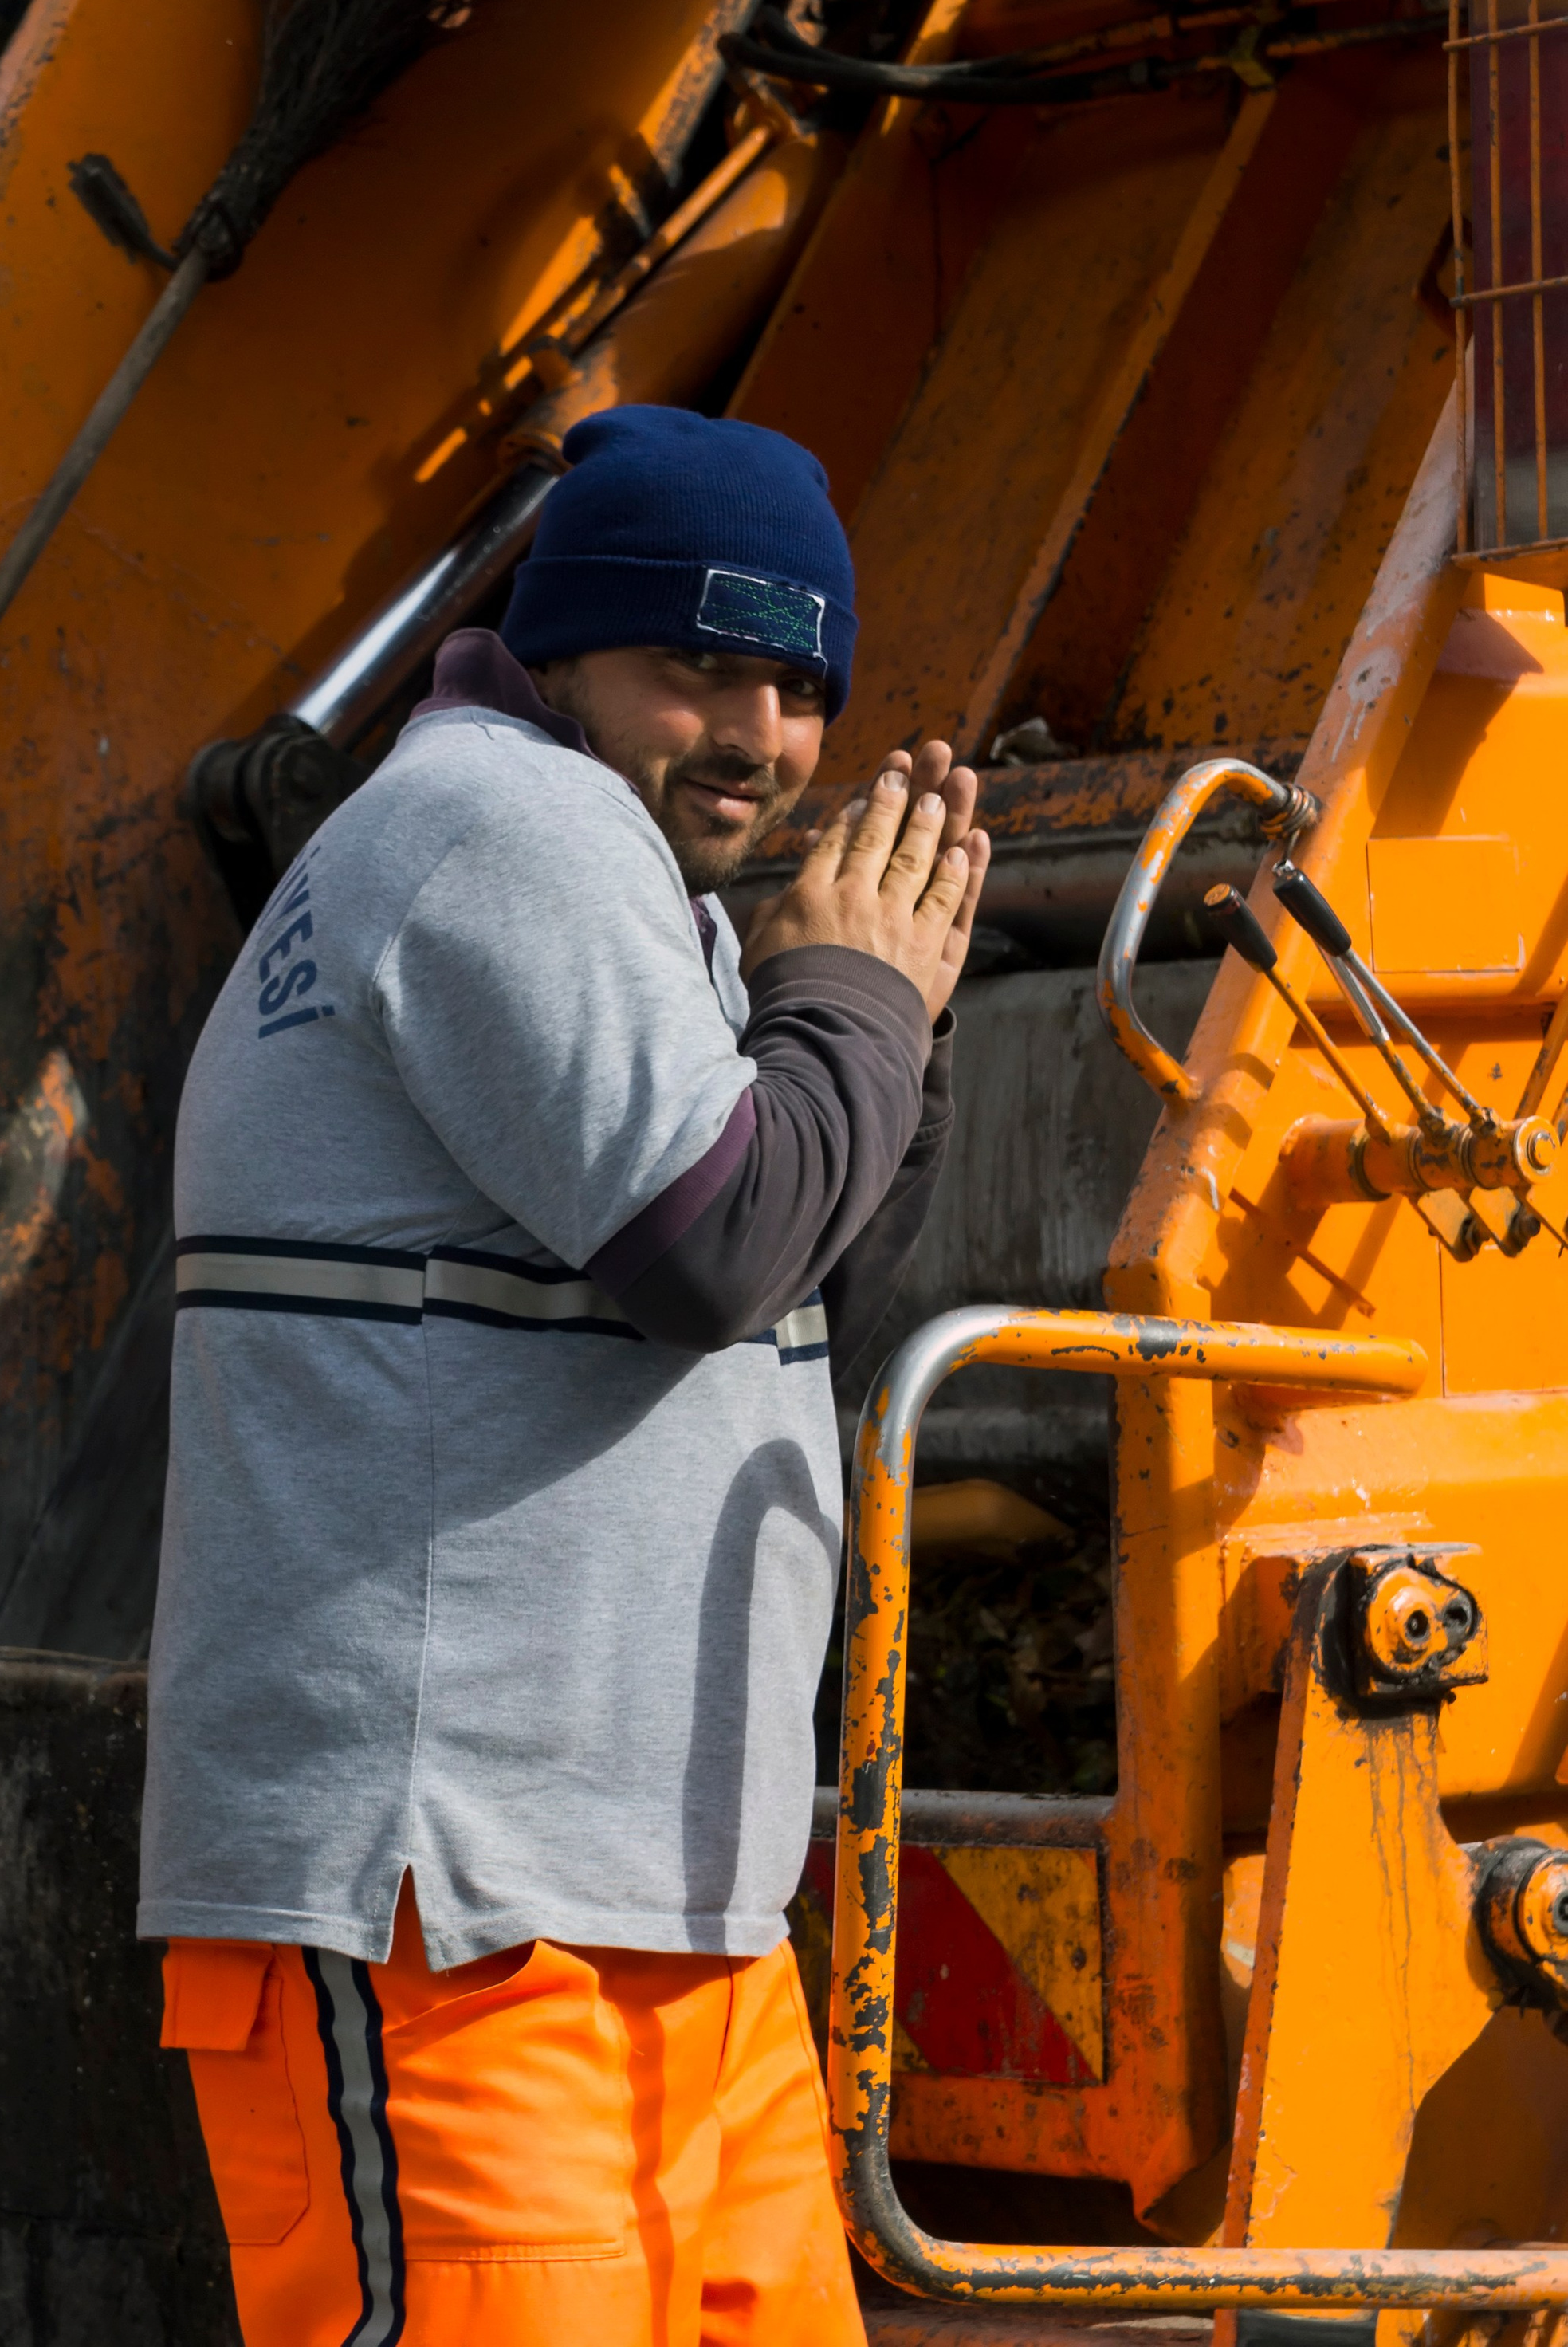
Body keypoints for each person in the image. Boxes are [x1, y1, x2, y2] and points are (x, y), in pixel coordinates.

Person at [141, 404, 988, 2347]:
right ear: (563, 646)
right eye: (695, 662)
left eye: (796, 682)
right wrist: (850, 992)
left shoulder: (618, 881)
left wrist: (864, 1018)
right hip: (445, 1902)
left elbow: (791, 1262)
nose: (756, 733)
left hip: (645, 1906)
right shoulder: (499, 826)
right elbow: (714, 1243)